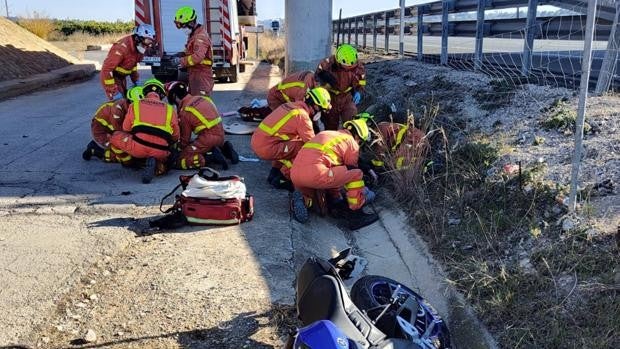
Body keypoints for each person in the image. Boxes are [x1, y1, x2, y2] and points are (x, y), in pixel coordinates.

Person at [290, 119, 377, 226]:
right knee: (356, 173)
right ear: (358, 137)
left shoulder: (327, 134)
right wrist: (360, 192)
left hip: (295, 174)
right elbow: (348, 172)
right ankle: (356, 216)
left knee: (319, 206)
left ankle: (303, 199)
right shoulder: (351, 142)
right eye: (360, 142)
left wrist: (337, 197)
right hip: (316, 174)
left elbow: (336, 170)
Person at [251, 87, 332, 189]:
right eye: (321, 110)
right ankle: (283, 178)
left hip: (259, 141)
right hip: (266, 147)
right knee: (303, 148)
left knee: (293, 141)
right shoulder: (302, 117)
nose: (320, 113)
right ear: (315, 106)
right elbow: (312, 145)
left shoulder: (290, 106)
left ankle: (274, 172)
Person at [110, 79, 180, 183]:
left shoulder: (135, 105)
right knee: (169, 151)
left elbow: (126, 128)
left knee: (115, 136)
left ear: (144, 92)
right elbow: (175, 136)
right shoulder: (170, 109)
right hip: (161, 151)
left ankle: (129, 162)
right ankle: (159, 165)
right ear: (161, 95)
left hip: (138, 147)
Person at [166, 81, 236, 170]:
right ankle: (225, 150)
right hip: (221, 136)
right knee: (194, 143)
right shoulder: (203, 98)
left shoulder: (185, 111)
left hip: (207, 140)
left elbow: (185, 139)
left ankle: (208, 159)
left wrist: (176, 149)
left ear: (174, 97)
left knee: (183, 156)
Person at [82, 86, 144, 163]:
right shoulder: (117, 112)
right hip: (102, 131)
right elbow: (119, 135)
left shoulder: (129, 107)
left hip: (112, 129)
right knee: (121, 154)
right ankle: (94, 150)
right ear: (129, 102)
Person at [315, 44, 366, 130]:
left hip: (347, 98)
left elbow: (361, 81)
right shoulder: (326, 65)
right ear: (339, 61)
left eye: (351, 67)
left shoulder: (358, 66)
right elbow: (316, 80)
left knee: (352, 122)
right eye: (346, 67)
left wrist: (359, 91)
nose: (349, 69)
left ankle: (349, 141)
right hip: (330, 99)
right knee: (331, 126)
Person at [100, 24, 155, 100]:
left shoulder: (138, 47)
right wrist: (113, 91)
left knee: (126, 100)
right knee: (119, 105)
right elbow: (106, 70)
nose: (146, 46)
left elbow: (133, 65)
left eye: (149, 42)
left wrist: (136, 81)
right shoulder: (121, 48)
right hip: (114, 78)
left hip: (122, 78)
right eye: (146, 41)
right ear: (137, 38)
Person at [174, 6, 214, 96]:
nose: (182, 29)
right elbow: (190, 52)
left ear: (191, 23)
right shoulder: (193, 35)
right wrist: (180, 55)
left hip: (201, 76)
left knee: (200, 105)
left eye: (184, 25)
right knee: (193, 103)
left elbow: (198, 57)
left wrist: (180, 61)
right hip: (195, 75)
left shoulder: (200, 37)